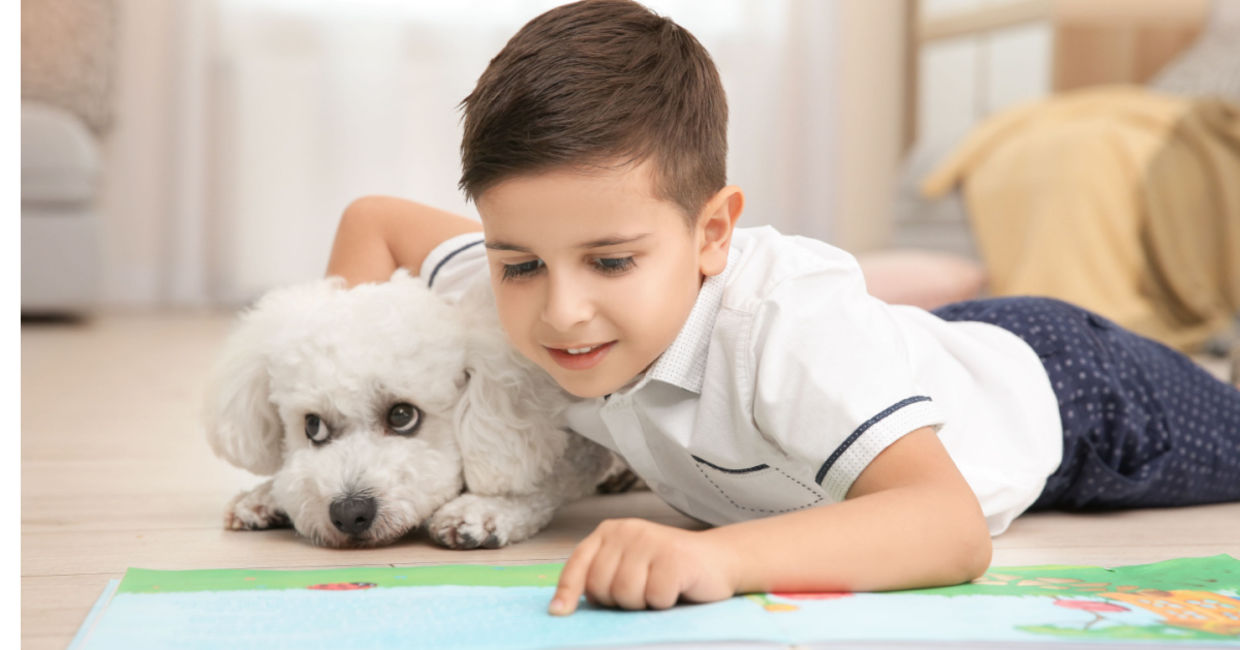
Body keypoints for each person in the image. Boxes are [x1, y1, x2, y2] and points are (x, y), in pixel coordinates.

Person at [325, 0, 1240, 616]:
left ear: (713, 233)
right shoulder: (510, 292)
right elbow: (375, 222)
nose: (561, 311)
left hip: (1077, 397)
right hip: (922, 355)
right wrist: (329, 441)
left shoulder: (780, 327)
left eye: (611, 261)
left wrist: (719, 559)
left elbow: (951, 529)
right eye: (520, 263)